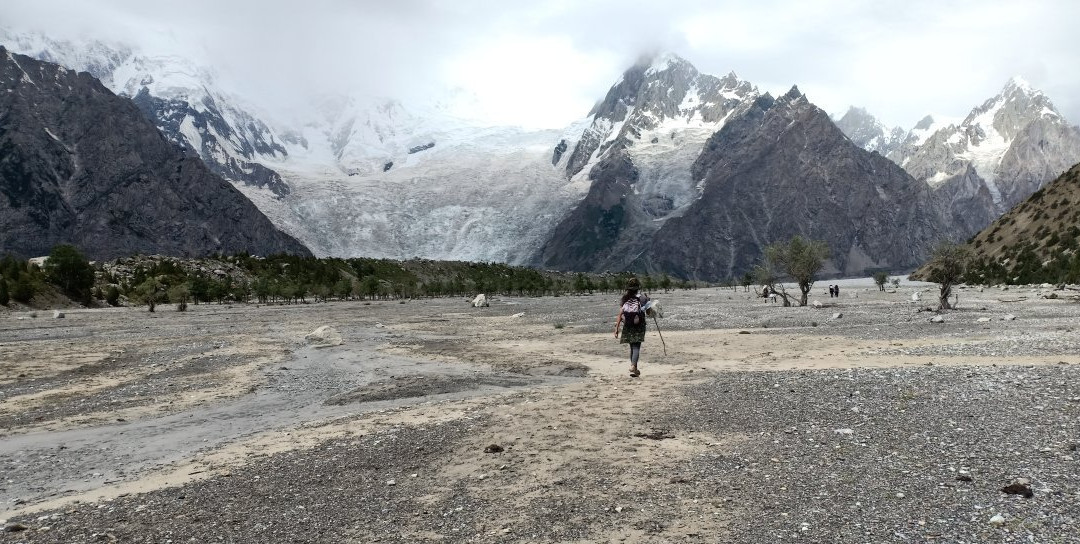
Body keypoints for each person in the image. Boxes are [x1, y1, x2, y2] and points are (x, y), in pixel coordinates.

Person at [614, 277, 647, 377]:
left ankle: (635, 369)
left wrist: (617, 328)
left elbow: (620, 313)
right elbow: (648, 312)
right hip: (639, 325)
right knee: (636, 346)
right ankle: (633, 366)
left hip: (628, 325)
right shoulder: (642, 298)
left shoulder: (625, 298)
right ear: (637, 287)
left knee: (632, 347)